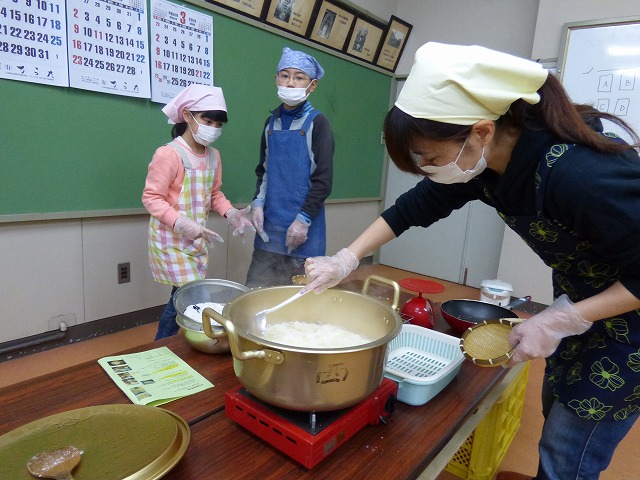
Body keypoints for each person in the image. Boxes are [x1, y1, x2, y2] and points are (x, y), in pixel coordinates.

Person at [302, 42, 640, 480]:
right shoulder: (485, 163)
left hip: (630, 332)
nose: (427, 168)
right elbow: (413, 208)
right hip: (585, 304)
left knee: (567, 452)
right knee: (556, 411)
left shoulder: (580, 174)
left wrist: (563, 319)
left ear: (481, 131)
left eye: (430, 158)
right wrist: (346, 259)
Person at [143, 84, 253, 340]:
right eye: (207, 121)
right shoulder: (169, 154)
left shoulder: (213, 156)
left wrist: (231, 213)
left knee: (181, 296)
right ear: (187, 115)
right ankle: (164, 344)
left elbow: (214, 194)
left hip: (196, 240)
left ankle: (167, 344)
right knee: (192, 295)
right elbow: (151, 197)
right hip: (170, 241)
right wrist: (181, 223)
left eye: (218, 124)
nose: (213, 128)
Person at [245, 47, 334, 288]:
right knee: (256, 290)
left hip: (305, 228)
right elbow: (264, 170)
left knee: (297, 295)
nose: (291, 83)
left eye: (299, 77)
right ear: (276, 78)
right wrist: (258, 204)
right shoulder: (270, 123)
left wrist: (303, 221)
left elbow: (323, 181)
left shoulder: (318, 123)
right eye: (285, 75)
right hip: (270, 228)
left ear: (312, 85)